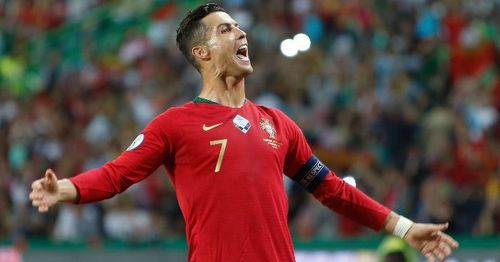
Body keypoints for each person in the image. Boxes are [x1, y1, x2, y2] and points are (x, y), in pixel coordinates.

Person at [29, 3, 458, 261]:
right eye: (225, 29)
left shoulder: (278, 124)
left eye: (237, 25)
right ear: (202, 52)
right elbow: (117, 174)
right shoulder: (174, 124)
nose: (240, 31)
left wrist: (403, 228)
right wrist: (65, 188)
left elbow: (332, 189)